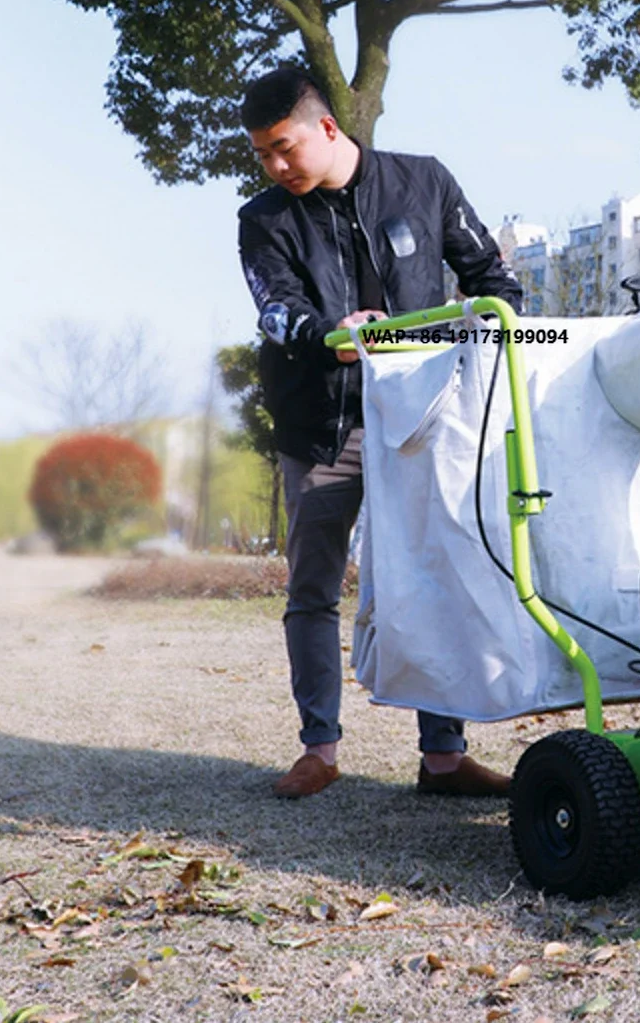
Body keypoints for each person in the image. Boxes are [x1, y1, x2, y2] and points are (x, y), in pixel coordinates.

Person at [236, 66, 522, 799]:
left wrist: (484, 340)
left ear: (328, 127)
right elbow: (276, 309)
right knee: (313, 587)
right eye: (263, 155)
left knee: (436, 576)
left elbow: (491, 279)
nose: (275, 167)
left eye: (284, 147)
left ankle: (445, 757)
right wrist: (330, 334)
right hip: (323, 428)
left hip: (422, 424)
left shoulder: (424, 183)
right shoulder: (263, 219)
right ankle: (320, 749)